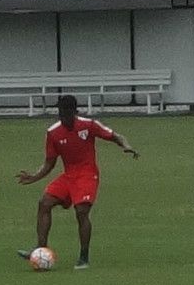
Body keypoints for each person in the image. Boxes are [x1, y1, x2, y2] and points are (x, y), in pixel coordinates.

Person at [18, 94, 133, 267]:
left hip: (87, 174)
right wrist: (34, 177)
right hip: (68, 176)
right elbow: (49, 163)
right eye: (59, 112)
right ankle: (40, 249)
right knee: (44, 203)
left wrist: (127, 146)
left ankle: (84, 257)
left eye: (64, 112)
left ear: (73, 111)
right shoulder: (53, 133)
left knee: (81, 212)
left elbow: (115, 136)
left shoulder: (88, 125)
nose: (61, 116)